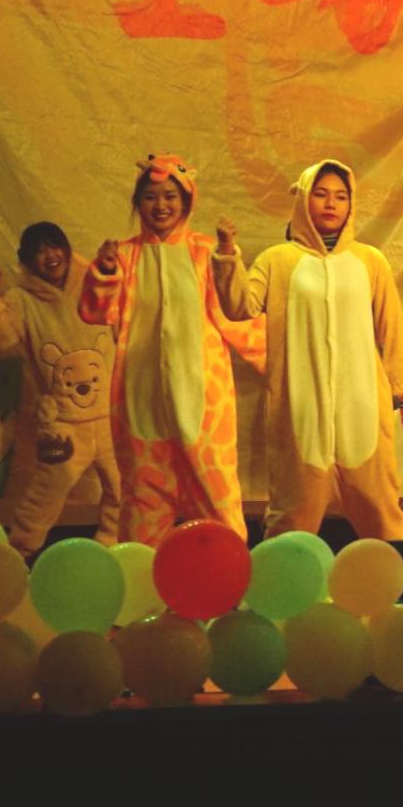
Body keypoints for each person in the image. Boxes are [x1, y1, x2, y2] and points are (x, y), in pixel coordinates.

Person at [232, 160, 403, 540]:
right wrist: (227, 260)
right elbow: (240, 307)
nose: (331, 203)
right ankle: (282, 576)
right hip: (301, 406)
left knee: (381, 511)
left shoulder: (370, 261)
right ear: (304, 200)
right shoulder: (277, 260)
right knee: (292, 514)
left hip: (362, 405)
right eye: (321, 194)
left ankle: (392, 574)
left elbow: (391, 328)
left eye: (340, 196)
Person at [79, 154, 264, 544]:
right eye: (150, 197)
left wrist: (276, 361)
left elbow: (236, 313)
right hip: (140, 400)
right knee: (142, 511)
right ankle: (140, 579)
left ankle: (230, 574)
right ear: (138, 203)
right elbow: (96, 312)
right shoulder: (125, 255)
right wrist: (105, 272)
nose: (160, 205)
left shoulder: (204, 251)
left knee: (218, 504)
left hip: (202, 403)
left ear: (186, 201)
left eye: (170, 196)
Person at [0, 223, 120, 555]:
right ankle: (18, 554)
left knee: (123, 487)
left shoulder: (91, 282)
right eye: (40, 251)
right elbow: (0, 338)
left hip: (110, 414)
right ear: (26, 260)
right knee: (46, 495)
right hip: (64, 422)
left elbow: (123, 315)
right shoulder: (22, 300)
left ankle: (111, 547)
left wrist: (109, 269)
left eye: (55, 246)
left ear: (66, 248)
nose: (50, 255)